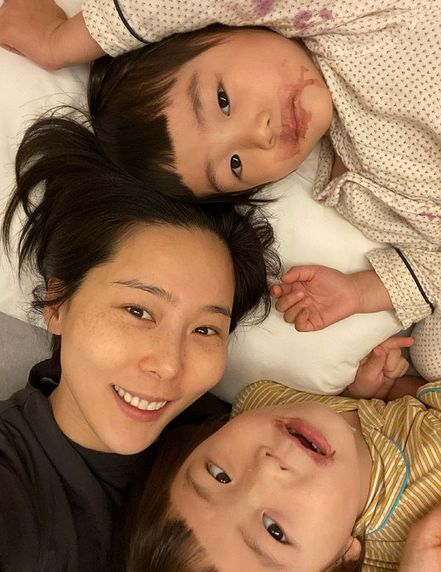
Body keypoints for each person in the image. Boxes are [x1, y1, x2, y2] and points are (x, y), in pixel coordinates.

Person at [1, 0, 439, 383]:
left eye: (223, 100)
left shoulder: (348, 21)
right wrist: (360, 292)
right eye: (235, 164)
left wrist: (62, 41)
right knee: (432, 357)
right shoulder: (351, 193)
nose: (260, 134)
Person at [0, 114, 278, 571]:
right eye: (138, 311)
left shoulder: (232, 435)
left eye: (205, 330)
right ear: (57, 304)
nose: (170, 366)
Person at [120, 341, 436, 572]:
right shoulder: (417, 539)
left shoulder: (261, 401)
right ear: (340, 559)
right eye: (275, 531)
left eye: (219, 475)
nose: (267, 469)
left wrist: (376, 393)